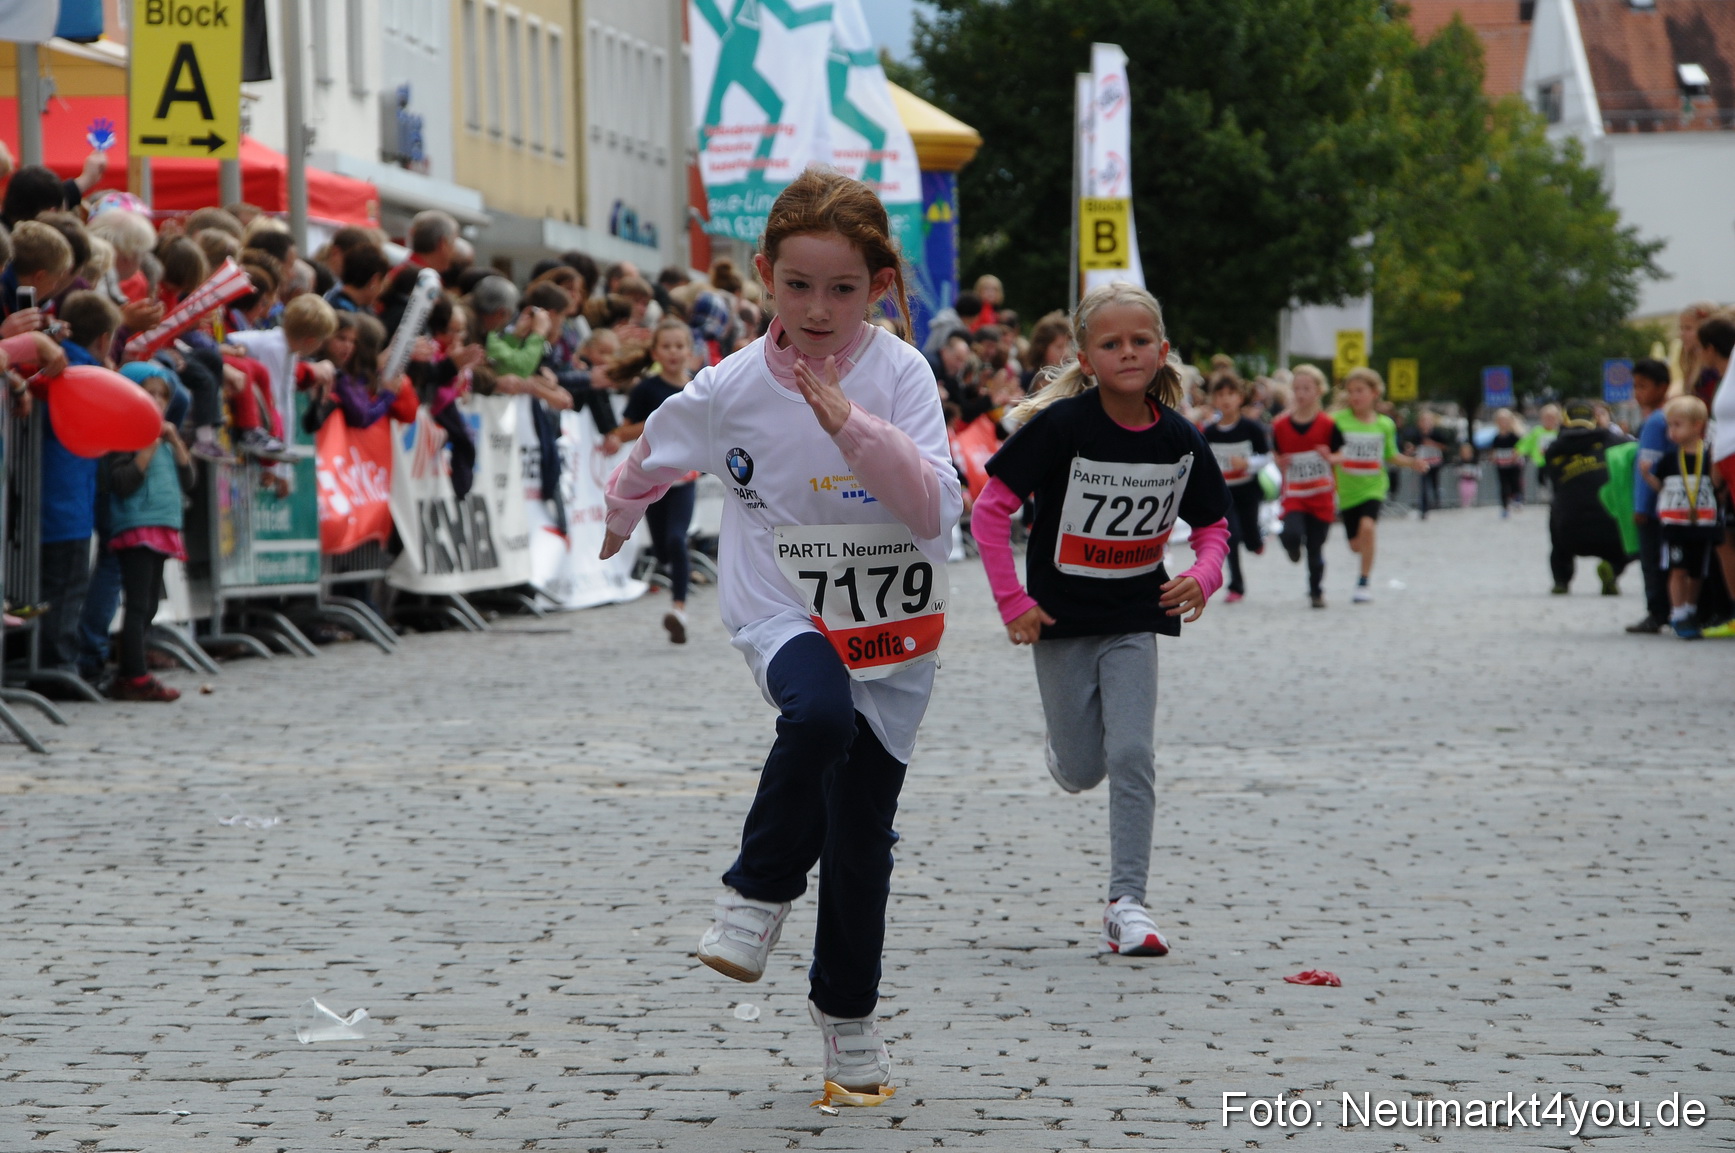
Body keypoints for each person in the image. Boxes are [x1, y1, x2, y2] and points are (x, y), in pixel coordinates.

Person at [601, 168, 961, 1096]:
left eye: (842, 289)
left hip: (891, 624)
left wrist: (857, 429)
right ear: (763, 273)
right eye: (797, 285)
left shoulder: (902, 373)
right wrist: (616, 517)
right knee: (815, 717)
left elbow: (935, 506)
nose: (817, 308)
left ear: (879, 286)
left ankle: (848, 1021)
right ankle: (757, 892)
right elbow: (652, 453)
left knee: (859, 843)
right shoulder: (727, 384)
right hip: (782, 606)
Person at [970, 281, 1229, 957]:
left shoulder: (1178, 437)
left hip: (1132, 615)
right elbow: (988, 512)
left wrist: (1202, 575)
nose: (1127, 352)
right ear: (1084, 358)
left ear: (1162, 350)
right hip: (1057, 618)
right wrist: (1013, 602)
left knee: (1133, 753)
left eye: (1140, 340)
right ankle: (1063, 750)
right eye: (1110, 343)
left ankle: (1127, 903)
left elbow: (1213, 525)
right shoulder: (1061, 428)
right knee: (1084, 767)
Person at [37, 290, 119, 679]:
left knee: (53, 586)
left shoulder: (54, 361)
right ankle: (60, 665)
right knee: (65, 588)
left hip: (51, 494)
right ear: (103, 339)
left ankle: (52, 660)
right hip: (67, 499)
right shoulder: (88, 375)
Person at [104, 371, 196, 701]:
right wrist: (145, 451)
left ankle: (131, 669)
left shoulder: (167, 439)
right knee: (139, 604)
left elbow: (189, 481)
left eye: (162, 396)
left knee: (151, 606)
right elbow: (122, 482)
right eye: (150, 394)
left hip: (163, 526)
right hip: (137, 525)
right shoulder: (127, 436)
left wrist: (175, 443)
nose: (157, 401)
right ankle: (134, 674)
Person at [608, 319, 701, 643]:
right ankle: (673, 577)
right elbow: (624, 431)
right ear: (655, 352)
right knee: (662, 550)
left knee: (677, 540)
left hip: (684, 481)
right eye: (667, 346)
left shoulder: (698, 388)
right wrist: (659, 421)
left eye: (680, 346)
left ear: (690, 351)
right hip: (651, 484)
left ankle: (679, 610)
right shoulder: (647, 389)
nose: (674, 352)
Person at [1332, 368, 1427, 604]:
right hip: (1346, 490)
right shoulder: (1337, 421)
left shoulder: (1385, 424)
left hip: (1373, 486)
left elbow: (1391, 455)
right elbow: (1327, 450)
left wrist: (1412, 463)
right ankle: (1362, 561)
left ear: (1374, 393)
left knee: (1368, 527)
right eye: (1351, 391)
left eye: (1360, 390)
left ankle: (1363, 582)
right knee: (1355, 545)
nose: (1355, 396)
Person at [1640, 396, 1722, 639]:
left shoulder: (1708, 457)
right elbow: (1661, 487)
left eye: (1677, 425)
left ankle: (1690, 609)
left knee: (1697, 571)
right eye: (1670, 425)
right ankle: (1677, 613)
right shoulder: (1668, 459)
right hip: (1674, 525)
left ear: (1697, 426)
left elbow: (1717, 486)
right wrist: (1647, 476)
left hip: (1702, 524)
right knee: (1677, 569)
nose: (1671, 431)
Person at [1542, 400, 1630, 595]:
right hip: (1610, 527)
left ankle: (1561, 580)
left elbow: (1551, 481)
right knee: (1629, 541)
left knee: (1557, 508)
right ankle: (1613, 569)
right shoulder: (1613, 441)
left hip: (1569, 532)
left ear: (1564, 421)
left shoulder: (1554, 449)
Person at [1271, 364, 1342, 608]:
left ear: (1318, 391)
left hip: (1322, 496)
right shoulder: (1280, 425)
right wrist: (1279, 462)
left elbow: (1341, 453)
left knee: (1315, 548)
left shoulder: (1328, 425)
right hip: (1295, 494)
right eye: (1297, 388)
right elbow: (1276, 454)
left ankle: (1316, 592)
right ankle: (1291, 547)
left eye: (1306, 388)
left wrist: (1331, 458)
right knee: (1291, 533)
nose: (1300, 394)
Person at [1201, 372, 1269, 602]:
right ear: (1213, 400)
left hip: (1248, 491)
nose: (1226, 399)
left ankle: (1257, 541)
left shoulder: (1251, 428)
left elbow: (1267, 457)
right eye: (1220, 395)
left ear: (1240, 398)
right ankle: (1236, 586)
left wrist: (1248, 463)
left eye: (1231, 394)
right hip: (1224, 495)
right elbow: (1203, 463)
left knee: (1249, 537)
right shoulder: (1209, 433)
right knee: (1231, 536)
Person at [1626, 360, 1673, 634]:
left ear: (1662, 387)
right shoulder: (1663, 417)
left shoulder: (1655, 421)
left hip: (1653, 507)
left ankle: (1656, 611)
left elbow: (1648, 465)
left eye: (1642, 386)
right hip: (1665, 504)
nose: (1637, 392)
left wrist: (1641, 506)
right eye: (1635, 386)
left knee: (1652, 560)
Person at [1489, 408, 1526, 518]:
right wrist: (1493, 457)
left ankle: (1517, 498)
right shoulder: (1496, 437)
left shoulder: (1514, 436)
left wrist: (1516, 455)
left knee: (1515, 482)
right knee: (1503, 486)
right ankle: (1505, 506)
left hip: (1513, 465)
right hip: (1501, 465)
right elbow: (1493, 450)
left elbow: (1519, 449)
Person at [1455, 441, 1481, 509]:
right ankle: (1465, 505)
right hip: (1463, 480)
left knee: (1472, 492)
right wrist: (1463, 472)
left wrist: (1475, 475)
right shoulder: (1460, 461)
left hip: (1472, 480)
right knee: (1464, 493)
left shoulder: (1474, 461)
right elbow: (1457, 471)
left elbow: (1478, 471)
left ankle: (1472, 504)